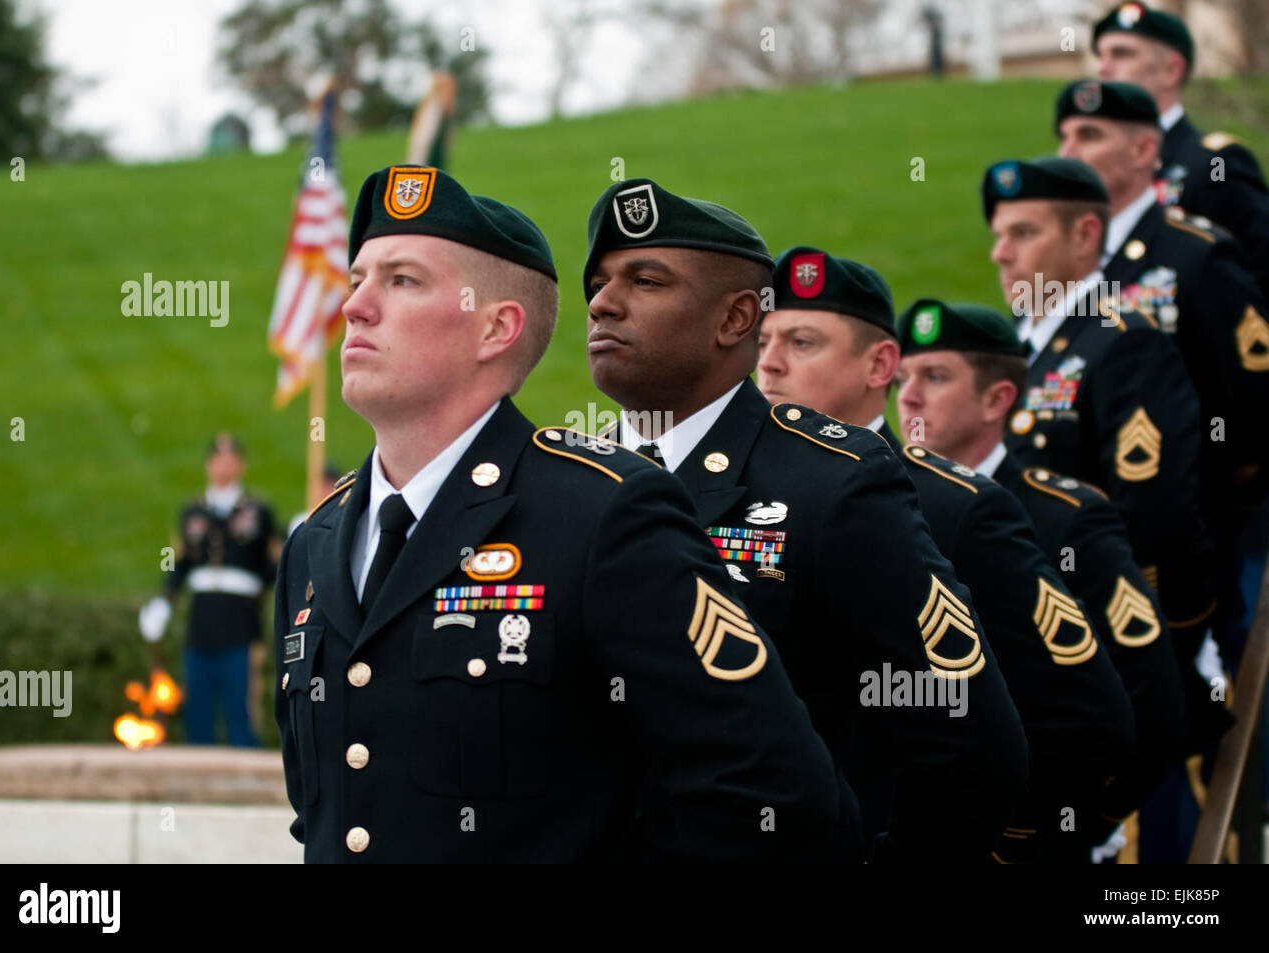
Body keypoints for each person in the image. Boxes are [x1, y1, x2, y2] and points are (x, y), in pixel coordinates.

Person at [273, 164, 863, 863]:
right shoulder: (318, 540)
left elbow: (774, 793)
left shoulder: (602, 514)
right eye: (357, 280)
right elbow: (330, 813)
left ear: (497, 327)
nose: (355, 308)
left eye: (401, 280)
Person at [583, 177, 1028, 863]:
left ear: (735, 320)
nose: (604, 303)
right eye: (599, 282)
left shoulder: (833, 483)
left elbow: (970, 739)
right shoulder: (570, 482)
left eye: (644, 280)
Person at [759, 248, 1137, 861]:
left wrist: (996, 850)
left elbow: (1088, 718)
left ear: (880, 364)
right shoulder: (743, 494)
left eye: (802, 342)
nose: (769, 365)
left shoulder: (955, 509)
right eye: (762, 341)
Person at [889, 296, 1186, 853]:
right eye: (904, 376)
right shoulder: (887, 508)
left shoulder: (1066, 520)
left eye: (935, 376)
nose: (908, 395)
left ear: (997, 398)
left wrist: (1078, 825)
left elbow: (1151, 702)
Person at [981, 155, 1216, 648]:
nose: (999, 254)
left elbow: (1154, 514)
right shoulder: (1021, 340)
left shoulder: (1123, 341)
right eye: (998, 235)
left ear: (1086, 236)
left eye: (1023, 234)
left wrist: (1159, 639)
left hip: (1097, 631)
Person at [1054, 78, 1269, 540]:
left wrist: (1222, 491)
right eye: (1064, 136)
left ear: (1143, 149)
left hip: (1192, 520)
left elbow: (1252, 387)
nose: (1067, 152)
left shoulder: (1198, 255)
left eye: (1089, 136)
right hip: (1086, 526)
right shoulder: (1057, 261)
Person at [1092, 1, 1269, 298]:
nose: (1103, 68)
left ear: (1171, 70)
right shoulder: (1096, 168)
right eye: (1101, 55)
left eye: (1122, 53)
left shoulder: (1215, 164)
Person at [139, 433, 280, 746]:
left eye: (230, 460)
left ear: (241, 465)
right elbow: (181, 563)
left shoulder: (258, 510)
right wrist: (164, 600)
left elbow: (273, 565)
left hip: (239, 620)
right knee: (197, 707)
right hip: (201, 621)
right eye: (217, 460)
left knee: (240, 706)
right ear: (208, 465)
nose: (223, 467)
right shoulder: (192, 511)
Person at [287, 464, 344, 538]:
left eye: (330, 486)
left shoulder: (343, 519)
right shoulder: (300, 521)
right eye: (323, 486)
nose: (325, 491)